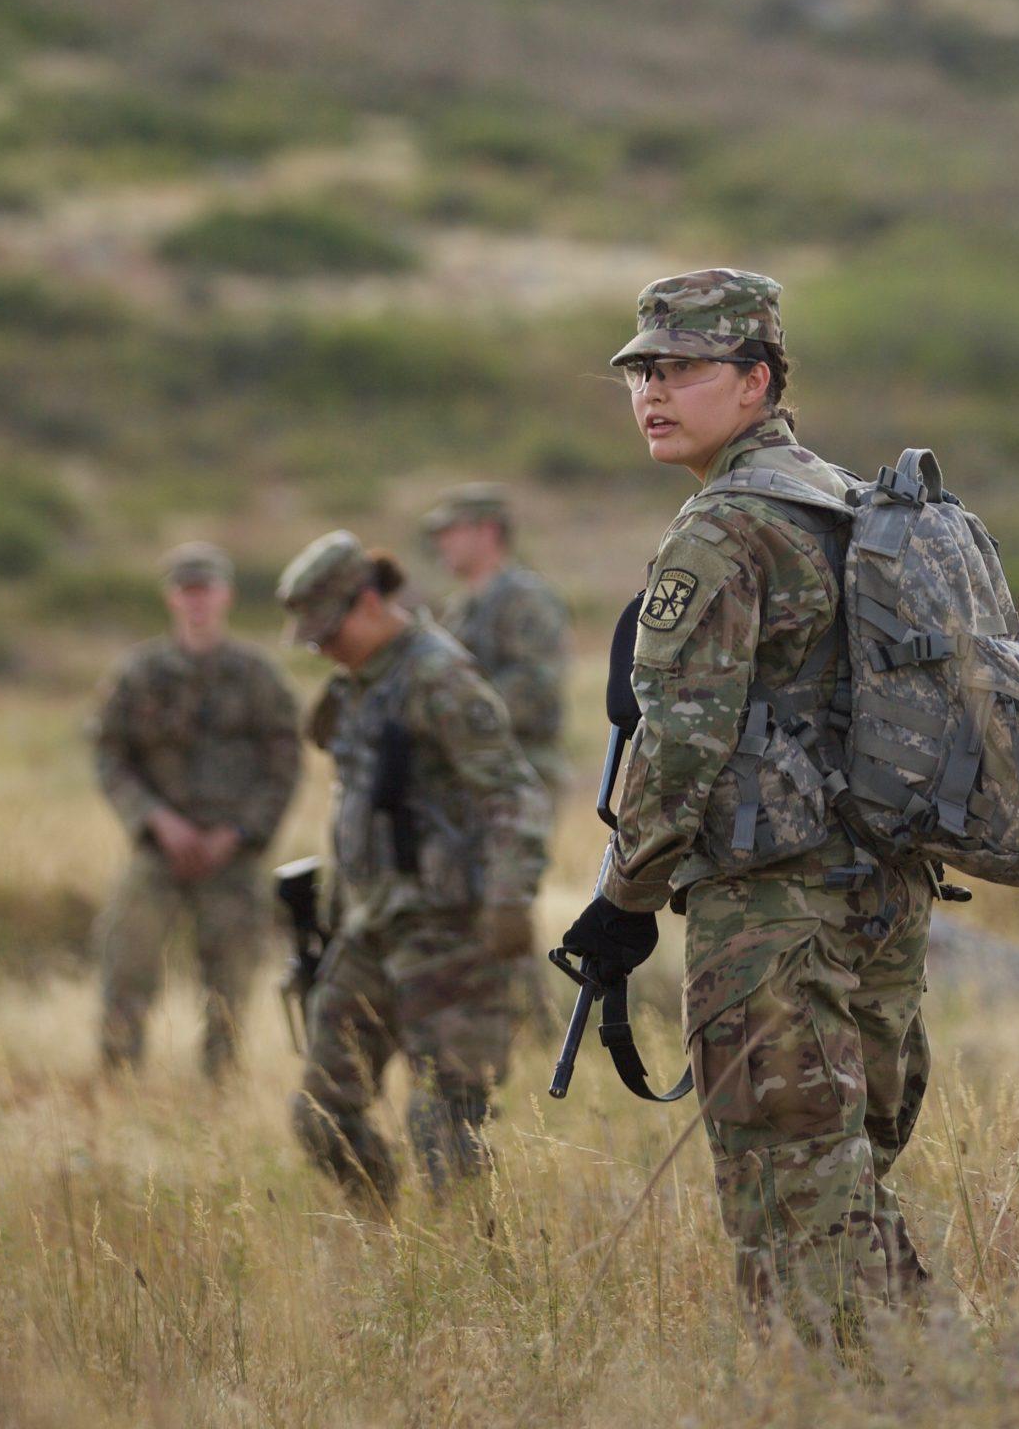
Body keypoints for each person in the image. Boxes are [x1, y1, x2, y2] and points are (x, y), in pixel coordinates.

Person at [559, 269, 932, 1345]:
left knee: (791, 1214)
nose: (651, 392)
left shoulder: (723, 530)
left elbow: (679, 743)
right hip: (882, 903)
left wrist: (623, 901)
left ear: (757, 379)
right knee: (846, 1188)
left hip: (773, 917)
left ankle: (841, 1399)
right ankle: (935, 1393)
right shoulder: (851, 503)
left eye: (680, 368)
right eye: (639, 370)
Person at [276, 530, 546, 1209]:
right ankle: (389, 1239)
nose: (320, 647)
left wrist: (510, 900)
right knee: (320, 1113)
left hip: (447, 932)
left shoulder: (439, 678)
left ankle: (475, 1281)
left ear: (367, 603)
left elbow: (510, 791)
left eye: (327, 632)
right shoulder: (362, 683)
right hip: (368, 927)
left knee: (445, 1124)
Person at [93, 543, 300, 1079]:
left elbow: (284, 764)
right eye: (187, 591)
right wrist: (156, 820)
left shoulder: (257, 676)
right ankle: (119, 1077)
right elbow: (110, 755)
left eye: (205, 590)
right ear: (171, 598)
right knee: (126, 961)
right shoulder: (139, 673)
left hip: (231, 853)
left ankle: (220, 1084)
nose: (197, 602)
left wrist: (239, 831)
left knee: (231, 980)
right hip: (160, 847)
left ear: (225, 595)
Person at [420, 484, 569, 797]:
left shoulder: (525, 600)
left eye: (452, 530)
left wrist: (456, 716)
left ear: (487, 531)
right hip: (468, 774)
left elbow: (536, 684)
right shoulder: (460, 609)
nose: (442, 542)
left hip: (518, 773)